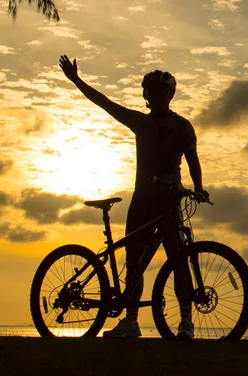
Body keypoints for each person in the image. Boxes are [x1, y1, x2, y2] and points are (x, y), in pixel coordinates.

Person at [59, 55, 209, 339]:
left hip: (170, 201)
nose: (155, 96)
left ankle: (186, 321)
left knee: (179, 261)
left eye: (160, 91)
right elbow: (105, 103)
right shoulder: (140, 122)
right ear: (146, 96)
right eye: (150, 92)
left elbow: (193, 160)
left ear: (170, 94)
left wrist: (199, 187)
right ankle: (131, 321)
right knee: (135, 261)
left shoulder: (183, 127)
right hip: (143, 200)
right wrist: (77, 80)